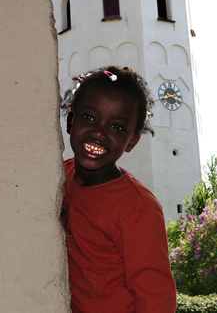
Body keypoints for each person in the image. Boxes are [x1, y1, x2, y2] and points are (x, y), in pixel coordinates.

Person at [60, 66, 177, 313]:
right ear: (71, 121)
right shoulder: (59, 177)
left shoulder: (137, 210)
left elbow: (157, 298)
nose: (99, 132)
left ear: (132, 141)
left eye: (117, 127)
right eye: (89, 117)